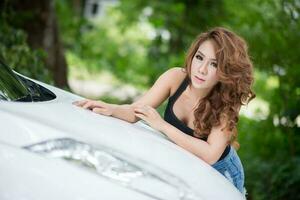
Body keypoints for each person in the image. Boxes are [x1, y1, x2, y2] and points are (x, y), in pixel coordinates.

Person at [73, 27, 255, 196]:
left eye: (214, 64)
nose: (202, 69)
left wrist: (162, 126)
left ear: (225, 71)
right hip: (190, 164)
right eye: (199, 58)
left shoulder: (226, 102)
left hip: (221, 171)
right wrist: (110, 108)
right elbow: (136, 111)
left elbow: (209, 155)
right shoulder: (176, 78)